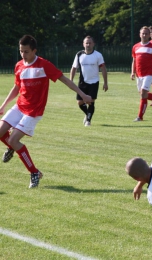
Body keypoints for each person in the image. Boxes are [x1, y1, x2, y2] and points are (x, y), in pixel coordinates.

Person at [0, 35, 93, 188]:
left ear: (34, 50)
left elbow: (64, 79)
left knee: (14, 140)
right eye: (21, 51)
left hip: (33, 111)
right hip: (19, 106)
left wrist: (82, 94)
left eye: (26, 51)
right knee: (2, 133)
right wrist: (3, 106)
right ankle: (12, 147)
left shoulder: (44, 65)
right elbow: (17, 87)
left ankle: (34, 172)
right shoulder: (19, 66)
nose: (23, 55)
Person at [70, 36, 108, 127]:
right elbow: (74, 68)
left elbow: (103, 69)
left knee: (90, 101)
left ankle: (88, 121)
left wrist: (105, 83)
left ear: (93, 44)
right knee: (80, 102)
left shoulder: (98, 55)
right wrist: (70, 81)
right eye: (86, 43)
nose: (88, 45)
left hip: (94, 82)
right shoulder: (79, 55)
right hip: (83, 82)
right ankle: (88, 114)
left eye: (90, 43)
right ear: (83, 44)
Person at [131, 26, 152, 122]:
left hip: (148, 74)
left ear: (149, 35)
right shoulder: (135, 47)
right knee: (143, 94)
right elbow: (134, 60)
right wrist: (132, 72)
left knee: (143, 94)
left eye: (146, 33)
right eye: (143, 33)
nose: (144, 35)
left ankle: (140, 117)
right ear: (139, 34)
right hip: (139, 74)